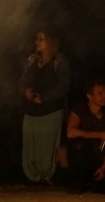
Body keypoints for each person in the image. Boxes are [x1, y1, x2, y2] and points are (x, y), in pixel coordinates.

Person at [18, 29, 71, 185]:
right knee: (32, 147)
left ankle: (49, 177)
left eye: (41, 39)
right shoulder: (31, 61)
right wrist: (25, 91)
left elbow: (63, 87)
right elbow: (21, 82)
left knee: (47, 148)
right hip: (31, 112)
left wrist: (44, 97)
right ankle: (33, 178)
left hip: (51, 112)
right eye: (37, 39)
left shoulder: (59, 62)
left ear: (50, 42)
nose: (37, 42)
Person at [59, 79, 105, 194]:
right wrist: (99, 135)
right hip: (81, 157)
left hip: (98, 159)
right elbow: (71, 132)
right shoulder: (80, 109)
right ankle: (75, 182)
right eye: (100, 93)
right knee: (78, 144)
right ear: (89, 95)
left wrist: (103, 168)